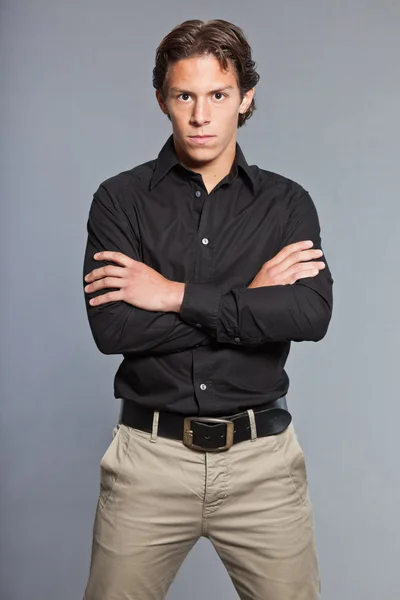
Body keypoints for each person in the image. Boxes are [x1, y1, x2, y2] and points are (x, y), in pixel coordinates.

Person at [82, 18, 333, 600]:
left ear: (245, 98)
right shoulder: (119, 200)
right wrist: (252, 298)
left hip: (262, 466)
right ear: (161, 100)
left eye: (218, 96)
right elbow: (113, 326)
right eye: (184, 96)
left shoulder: (287, 203)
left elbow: (309, 315)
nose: (200, 116)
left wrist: (171, 294)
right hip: (148, 461)